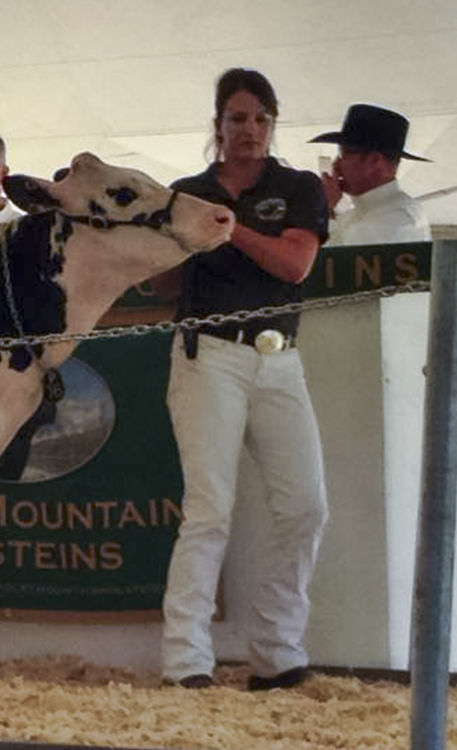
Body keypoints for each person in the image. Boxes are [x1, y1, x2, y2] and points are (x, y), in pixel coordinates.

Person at [156, 68, 330, 690]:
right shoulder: (188, 192)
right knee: (209, 509)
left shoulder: (299, 186)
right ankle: (186, 660)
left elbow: (295, 263)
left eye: (259, 119)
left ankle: (276, 649)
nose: (249, 130)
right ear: (218, 126)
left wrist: (229, 230)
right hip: (210, 355)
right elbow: (158, 278)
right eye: (237, 119)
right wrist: (180, 237)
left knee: (306, 506)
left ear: (272, 124)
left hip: (280, 358)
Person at [310, 104, 432, 245]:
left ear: (375, 161)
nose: (336, 165)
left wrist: (326, 208)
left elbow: (337, 261)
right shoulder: (353, 216)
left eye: (344, 154)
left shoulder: (399, 218)